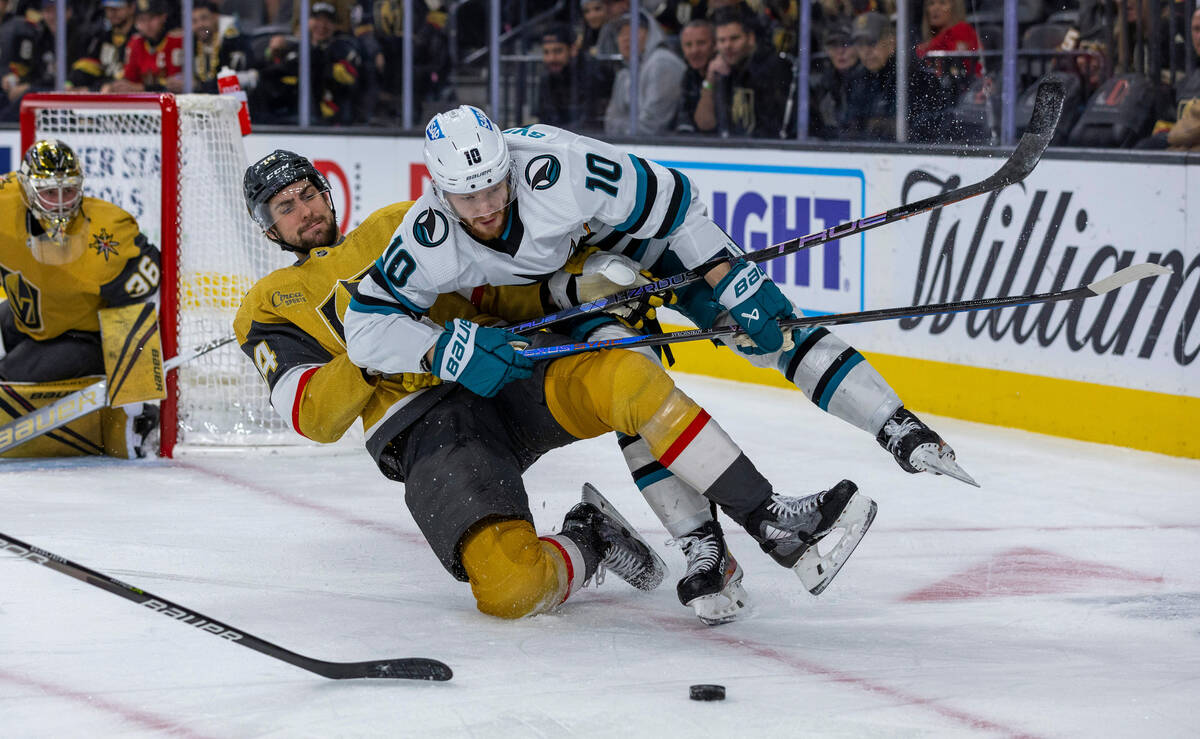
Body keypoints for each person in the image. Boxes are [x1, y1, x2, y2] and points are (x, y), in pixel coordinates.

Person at [236, 149, 873, 623]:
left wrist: (582, 290)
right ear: (269, 229)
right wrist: (390, 349)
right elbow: (312, 414)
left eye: (308, 193)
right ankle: (591, 538)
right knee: (509, 590)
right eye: (285, 207)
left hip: (506, 376)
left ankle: (767, 518)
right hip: (424, 433)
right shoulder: (266, 306)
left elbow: (502, 289)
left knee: (623, 368)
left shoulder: (400, 225)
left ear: (326, 191)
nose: (305, 210)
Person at [0, 140, 161, 456]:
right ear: (27, 189)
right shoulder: (5, 202)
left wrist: (133, 388)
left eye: (68, 191)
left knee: (6, 383)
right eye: (49, 192)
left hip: (83, 336)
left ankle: (142, 417)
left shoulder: (108, 230)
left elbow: (146, 287)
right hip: (28, 313)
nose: (60, 204)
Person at [844, 11, 953, 142]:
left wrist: (883, 125)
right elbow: (848, 127)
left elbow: (929, 129)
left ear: (891, 41)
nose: (866, 51)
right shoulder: (857, 81)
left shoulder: (916, 78)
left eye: (872, 42)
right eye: (860, 45)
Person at [693, 8, 794, 137]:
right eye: (722, 40)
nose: (727, 46)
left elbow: (773, 128)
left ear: (750, 38)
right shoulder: (720, 70)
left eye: (734, 39)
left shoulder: (773, 68)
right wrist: (709, 80)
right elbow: (705, 124)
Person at [603, 11, 686, 135]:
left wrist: (620, 126)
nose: (626, 38)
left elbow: (652, 125)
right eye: (621, 33)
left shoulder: (662, 62)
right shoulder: (625, 73)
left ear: (651, 35)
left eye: (632, 31)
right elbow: (609, 122)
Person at [104, 0, 184, 93]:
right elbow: (129, 80)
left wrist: (142, 88)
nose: (147, 25)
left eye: (152, 18)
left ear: (163, 17)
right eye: (141, 19)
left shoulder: (176, 41)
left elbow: (175, 85)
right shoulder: (135, 43)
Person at [810, 15, 864, 139]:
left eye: (846, 44)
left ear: (858, 47)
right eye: (833, 45)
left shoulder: (870, 81)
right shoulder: (822, 85)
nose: (840, 51)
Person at [68, 0, 137, 91]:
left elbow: (128, 80)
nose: (111, 13)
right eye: (108, 9)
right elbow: (88, 65)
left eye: (117, 8)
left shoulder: (139, 39)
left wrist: (93, 89)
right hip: (104, 94)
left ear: (131, 8)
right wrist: (71, 82)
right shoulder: (101, 37)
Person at [190, 0, 256, 94]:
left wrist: (200, 86)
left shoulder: (234, 40)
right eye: (194, 21)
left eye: (204, 18)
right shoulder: (193, 43)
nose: (199, 25)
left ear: (216, 17)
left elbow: (233, 81)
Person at [674, 18, 716, 133]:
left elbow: (707, 124)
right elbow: (683, 124)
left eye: (701, 43)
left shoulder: (725, 74)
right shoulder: (689, 75)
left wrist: (709, 81)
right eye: (688, 45)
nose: (694, 50)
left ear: (715, 45)